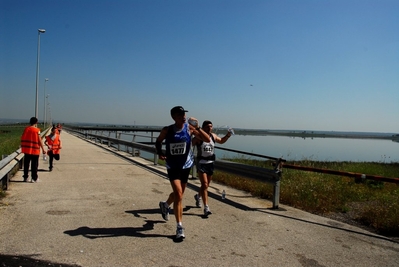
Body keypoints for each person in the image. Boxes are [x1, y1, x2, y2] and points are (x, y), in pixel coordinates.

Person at [156, 106, 211, 240]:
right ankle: (179, 226)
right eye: (180, 115)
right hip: (173, 166)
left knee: (178, 194)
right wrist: (160, 153)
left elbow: (207, 139)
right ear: (174, 117)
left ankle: (165, 204)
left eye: (184, 114)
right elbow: (158, 141)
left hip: (186, 165)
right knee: (179, 194)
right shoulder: (167, 130)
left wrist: (197, 128)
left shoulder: (189, 128)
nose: (183, 116)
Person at [192, 121, 233, 216]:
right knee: (205, 184)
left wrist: (228, 135)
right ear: (203, 128)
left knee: (206, 186)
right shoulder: (199, 137)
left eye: (211, 126)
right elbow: (190, 144)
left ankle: (198, 196)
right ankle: (206, 207)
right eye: (207, 127)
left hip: (210, 163)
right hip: (201, 162)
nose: (209, 128)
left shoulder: (213, 136)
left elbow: (221, 141)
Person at [20, 117, 46, 182]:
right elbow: (39, 140)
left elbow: (23, 137)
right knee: (34, 165)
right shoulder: (37, 130)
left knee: (26, 164)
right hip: (35, 150)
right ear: (36, 122)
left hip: (27, 150)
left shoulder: (26, 129)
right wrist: (43, 149)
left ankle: (25, 177)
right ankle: (34, 178)